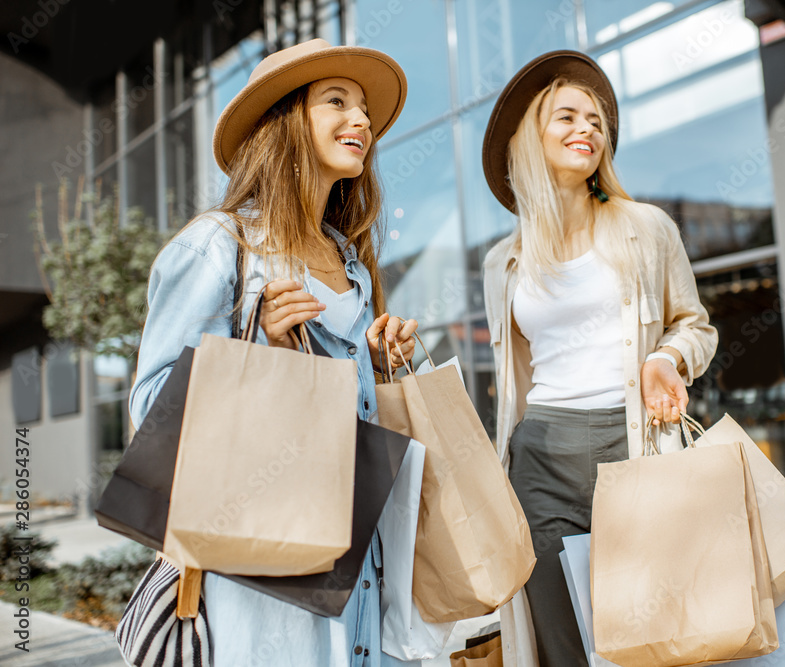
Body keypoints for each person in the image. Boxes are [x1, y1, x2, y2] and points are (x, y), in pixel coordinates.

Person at [129, 39, 420, 666]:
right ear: (288, 120)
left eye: (365, 108)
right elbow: (151, 415)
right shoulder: (217, 246)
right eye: (336, 101)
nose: (362, 121)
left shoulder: (350, 260)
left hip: (359, 555)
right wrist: (259, 349)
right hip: (263, 568)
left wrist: (380, 363)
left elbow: (354, 415)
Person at [481, 51, 719, 666]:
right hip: (539, 456)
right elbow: (519, 372)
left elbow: (694, 324)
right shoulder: (501, 263)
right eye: (567, 116)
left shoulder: (645, 228)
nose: (587, 128)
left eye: (596, 120)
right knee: (563, 644)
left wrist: (668, 358)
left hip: (631, 443)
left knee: (653, 636)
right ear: (532, 138)